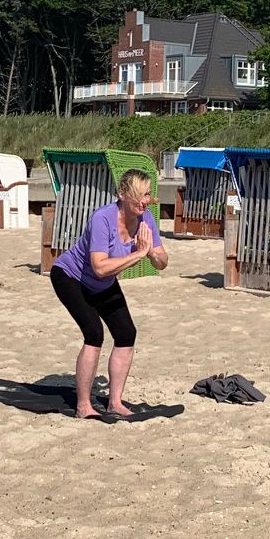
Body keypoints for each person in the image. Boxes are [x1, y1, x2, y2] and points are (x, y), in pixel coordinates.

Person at [50, 167, 167, 420]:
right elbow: (100, 267)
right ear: (122, 194)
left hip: (102, 283)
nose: (144, 201)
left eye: (147, 194)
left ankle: (115, 402)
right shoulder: (102, 218)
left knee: (126, 333)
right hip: (70, 277)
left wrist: (151, 253)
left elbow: (162, 261)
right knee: (94, 333)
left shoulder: (146, 219)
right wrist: (139, 253)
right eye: (139, 195)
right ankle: (83, 406)